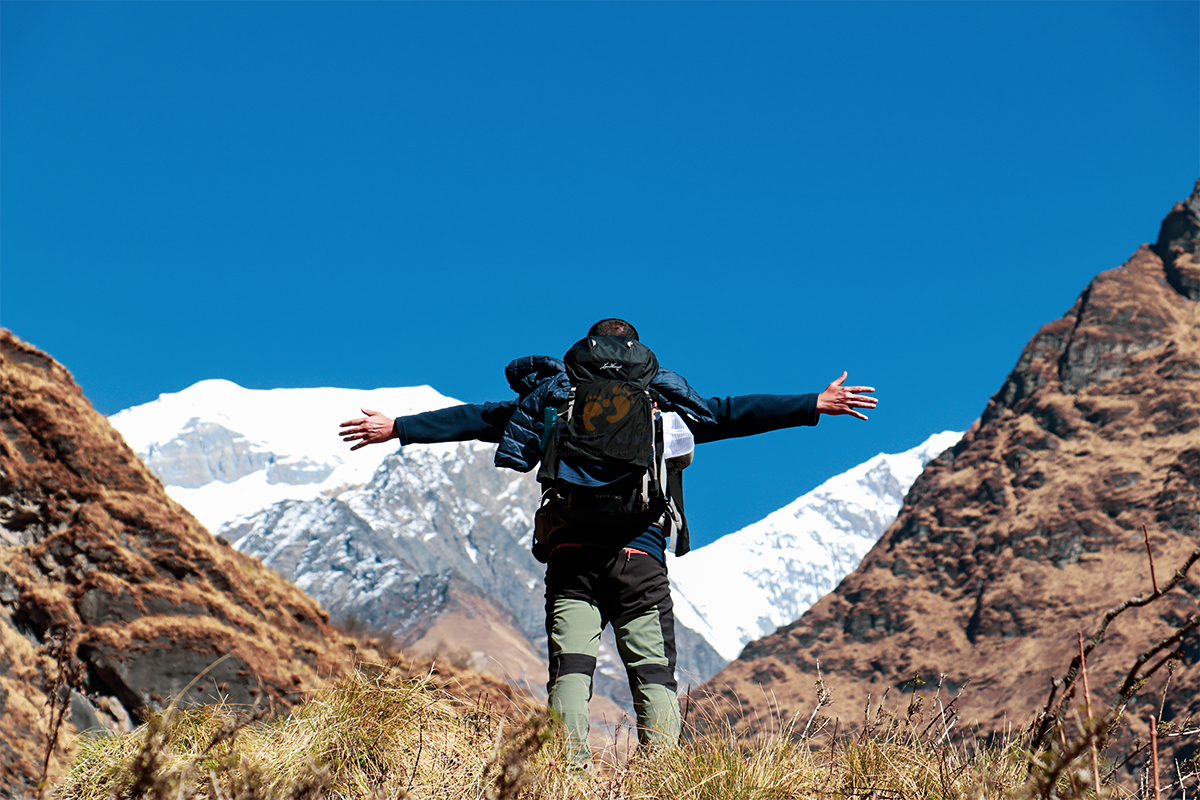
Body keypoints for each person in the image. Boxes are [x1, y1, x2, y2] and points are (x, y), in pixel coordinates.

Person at [339, 318, 876, 764]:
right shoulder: (661, 406)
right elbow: (734, 412)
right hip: (639, 556)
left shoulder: (555, 401)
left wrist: (399, 427)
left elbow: (479, 419)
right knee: (654, 674)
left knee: (571, 669)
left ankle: (569, 776)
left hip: (573, 557)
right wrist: (813, 403)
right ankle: (663, 775)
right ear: (639, 353)